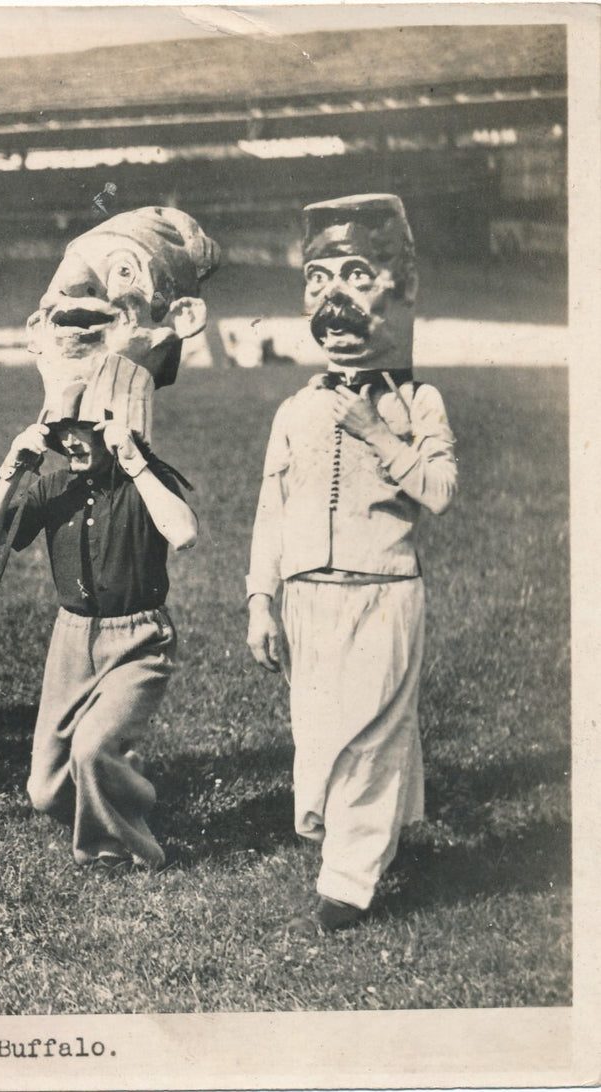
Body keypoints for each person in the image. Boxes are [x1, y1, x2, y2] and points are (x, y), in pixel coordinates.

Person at [0, 206, 215, 869]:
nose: (74, 447)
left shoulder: (141, 483)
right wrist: (14, 467)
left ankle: (124, 850)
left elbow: (182, 532)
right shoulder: (53, 487)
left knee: (93, 750)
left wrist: (132, 460)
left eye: (86, 436)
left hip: (136, 633)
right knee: (44, 788)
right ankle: (110, 802)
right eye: (64, 440)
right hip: (71, 637)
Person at [245, 194, 458, 933]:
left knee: (369, 735)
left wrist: (375, 431)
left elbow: (437, 492)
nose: (330, 299)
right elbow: (270, 509)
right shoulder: (293, 411)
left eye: (355, 274)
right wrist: (258, 600)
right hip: (305, 598)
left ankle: (346, 883)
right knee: (319, 736)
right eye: (316, 278)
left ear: (396, 287)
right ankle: (367, 839)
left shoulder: (418, 401)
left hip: (384, 590)